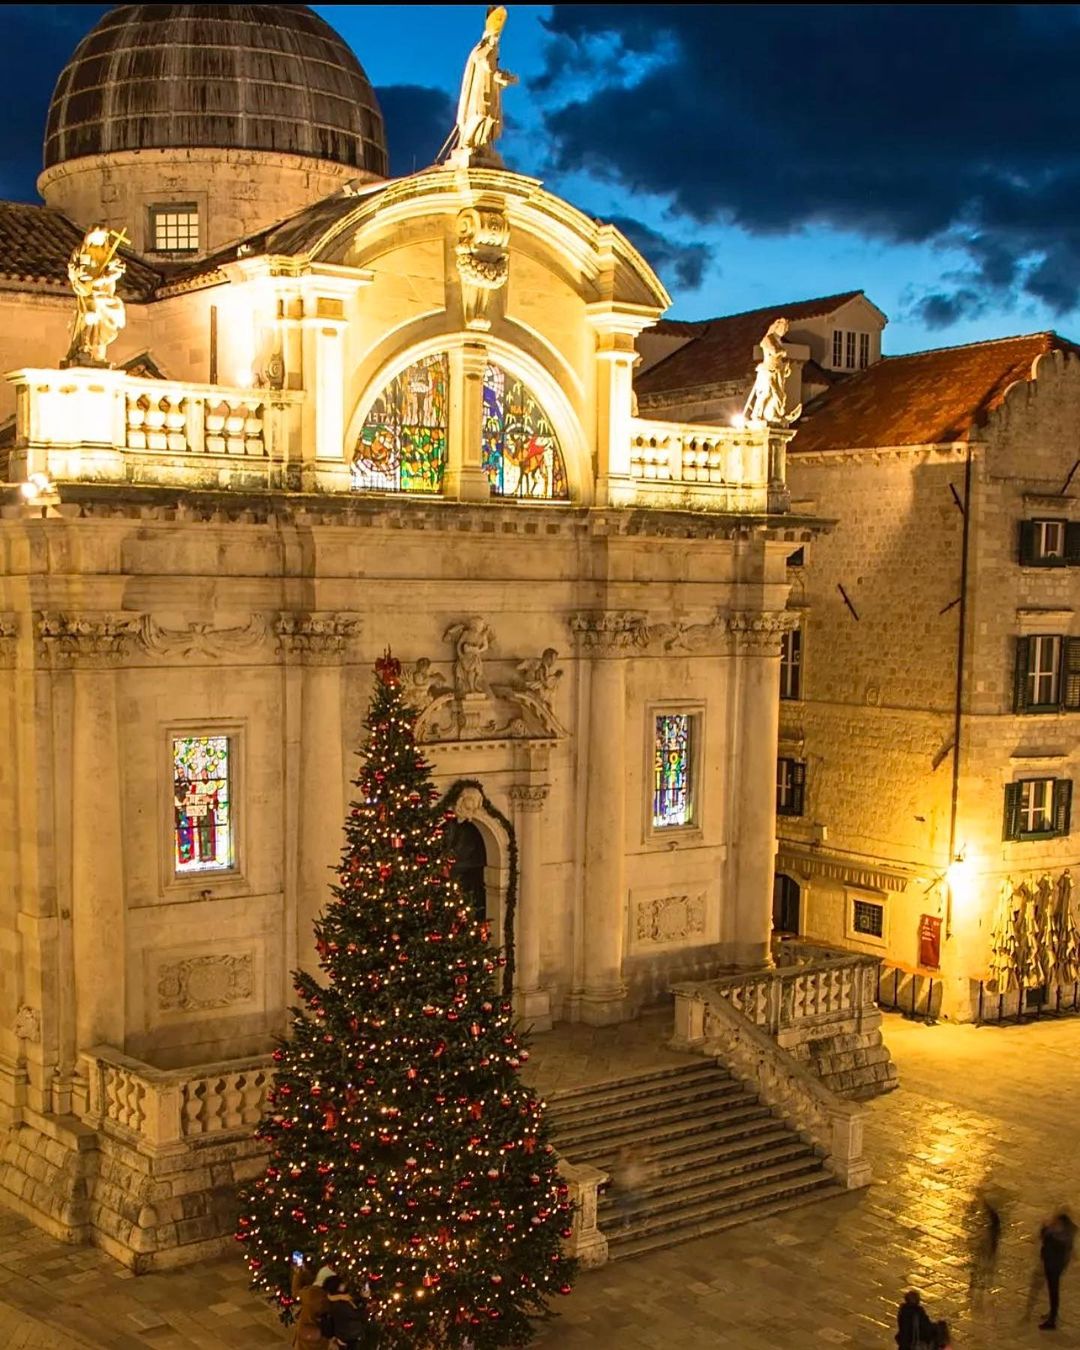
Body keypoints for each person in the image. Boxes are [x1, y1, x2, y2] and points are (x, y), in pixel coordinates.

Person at [1039, 1209, 1077, 1330]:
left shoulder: (1058, 1237)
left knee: (1053, 1292)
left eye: (1056, 1221)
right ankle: (1052, 1313)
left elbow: (1044, 1239)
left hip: (1053, 1266)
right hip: (1054, 1265)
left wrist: (1046, 1228)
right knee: (1053, 1292)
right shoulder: (1064, 1234)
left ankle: (1052, 1319)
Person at [321, 1275, 374, 1349]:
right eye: (342, 1284)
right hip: (349, 1338)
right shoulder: (339, 1304)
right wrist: (365, 1300)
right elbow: (358, 1315)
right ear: (337, 1286)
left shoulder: (339, 1299)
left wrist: (362, 1298)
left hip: (348, 1336)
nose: (344, 1285)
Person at [289, 1257, 331, 1348]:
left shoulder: (310, 1293)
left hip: (306, 1331)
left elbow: (295, 1293)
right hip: (321, 1335)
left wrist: (298, 1274)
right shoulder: (332, 1296)